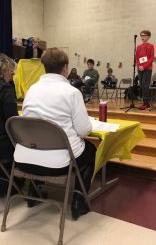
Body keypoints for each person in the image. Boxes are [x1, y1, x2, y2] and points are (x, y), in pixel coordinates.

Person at [14, 48, 96, 220]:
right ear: (65, 68)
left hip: (24, 160)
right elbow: (83, 130)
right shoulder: (72, 92)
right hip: (58, 163)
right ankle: (78, 202)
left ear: (44, 66)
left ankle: (33, 193)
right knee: (91, 151)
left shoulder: (31, 90)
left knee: (38, 140)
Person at [0, 53, 18, 196]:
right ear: (4, 71)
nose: (11, 77)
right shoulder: (5, 89)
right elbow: (13, 121)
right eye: (11, 73)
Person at [136, 30, 155, 110]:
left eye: (144, 35)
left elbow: (151, 58)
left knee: (145, 85)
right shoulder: (138, 47)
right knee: (141, 85)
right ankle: (144, 102)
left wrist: (144, 66)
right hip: (140, 68)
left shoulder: (151, 46)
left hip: (147, 69)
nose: (142, 37)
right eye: (141, 36)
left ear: (148, 36)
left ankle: (146, 103)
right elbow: (137, 58)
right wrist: (139, 66)